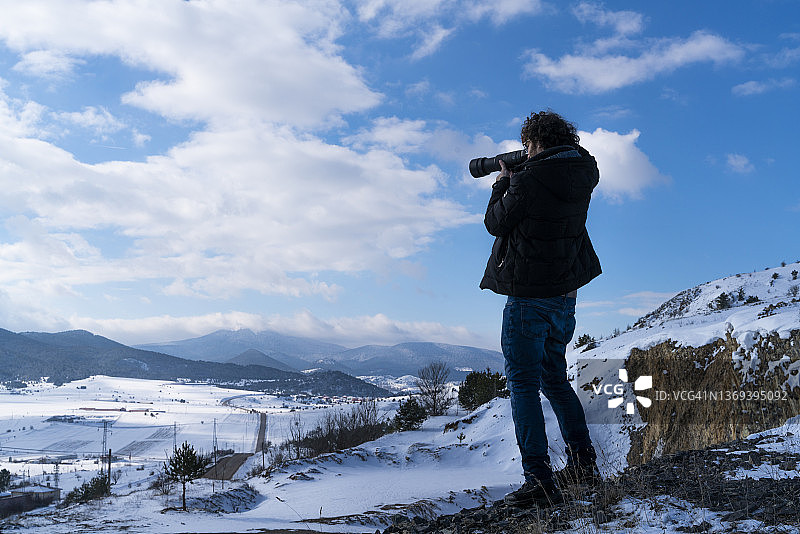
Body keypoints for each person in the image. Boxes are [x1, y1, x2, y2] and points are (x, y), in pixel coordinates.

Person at [479, 110, 602, 507]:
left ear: (534, 142)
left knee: (523, 384)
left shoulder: (529, 179)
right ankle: (584, 465)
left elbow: (496, 223)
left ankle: (539, 479)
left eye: (527, 145)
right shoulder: (582, 174)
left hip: (528, 297)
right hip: (565, 297)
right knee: (555, 380)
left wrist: (501, 184)